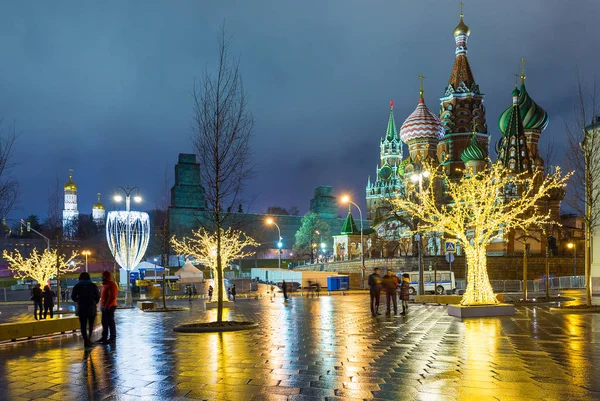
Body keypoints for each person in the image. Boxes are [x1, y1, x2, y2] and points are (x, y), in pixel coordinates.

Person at [71, 272, 100, 347]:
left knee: (83, 325)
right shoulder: (93, 285)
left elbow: (73, 297)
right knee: (91, 325)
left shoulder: (77, 286)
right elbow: (97, 296)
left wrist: (78, 300)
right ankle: (89, 339)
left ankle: (85, 340)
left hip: (81, 308)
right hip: (91, 307)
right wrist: (94, 302)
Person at [97, 271, 118, 344]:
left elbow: (112, 296)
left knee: (110, 322)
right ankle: (104, 337)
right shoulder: (105, 284)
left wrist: (107, 306)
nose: (102, 277)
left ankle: (112, 337)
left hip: (109, 306)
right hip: (105, 306)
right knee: (104, 322)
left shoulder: (111, 284)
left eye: (103, 276)